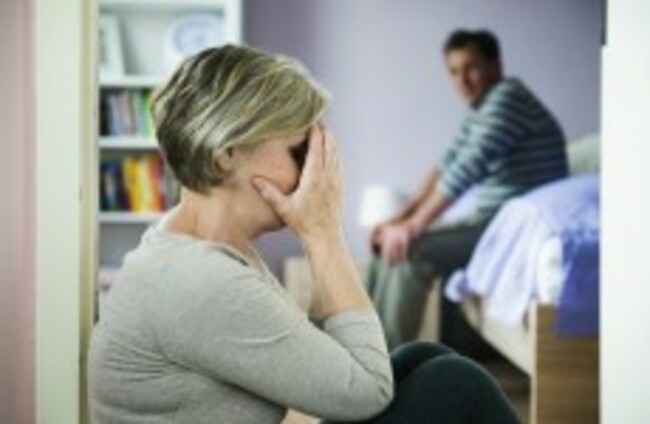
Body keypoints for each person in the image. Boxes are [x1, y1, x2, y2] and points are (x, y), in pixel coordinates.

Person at [88, 44, 519, 423]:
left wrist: (318, 232)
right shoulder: (202, 282)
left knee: (421, 358)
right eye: (299, 151)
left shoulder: (192, 245)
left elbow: (313, 354)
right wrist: (323, 230)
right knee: (456, 383)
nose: (312, 172)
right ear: (226, 154)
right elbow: (366, 392)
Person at [368, 29, 569, 350]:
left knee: (411, 251)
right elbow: (445, 165)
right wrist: (398, 220)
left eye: (471, 68)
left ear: (496, 65)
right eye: (453, 71)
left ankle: (382, 363)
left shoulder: (508, 100)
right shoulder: (480, 108)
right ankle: (363, 350)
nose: (462, 80)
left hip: (514, 228)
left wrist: (412, 228)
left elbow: (465, 170)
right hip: (493, 220)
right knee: (386, 245)